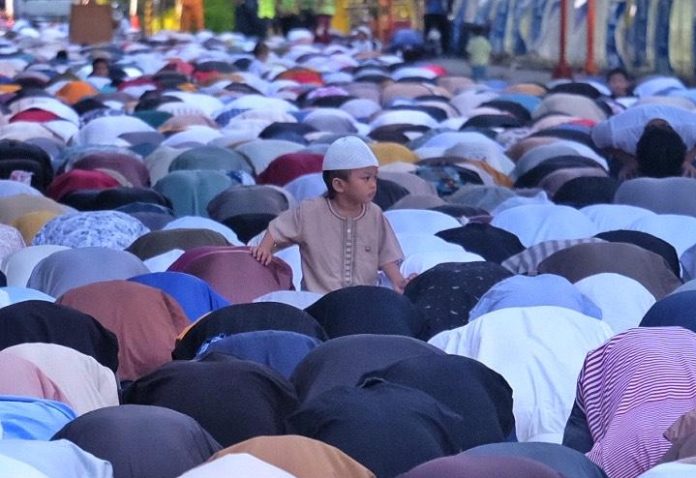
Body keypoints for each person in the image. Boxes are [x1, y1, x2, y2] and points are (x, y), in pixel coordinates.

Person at [251, 136, 411, 294]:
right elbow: (277, 230)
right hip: (319, 302)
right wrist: (265, 248)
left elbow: (385, 254)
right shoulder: (310, 211)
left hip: (363, 301)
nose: (373, 185)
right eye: (366, 178)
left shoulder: (374, 213)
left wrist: (398, 281)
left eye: (375, 178)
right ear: (339, 185)